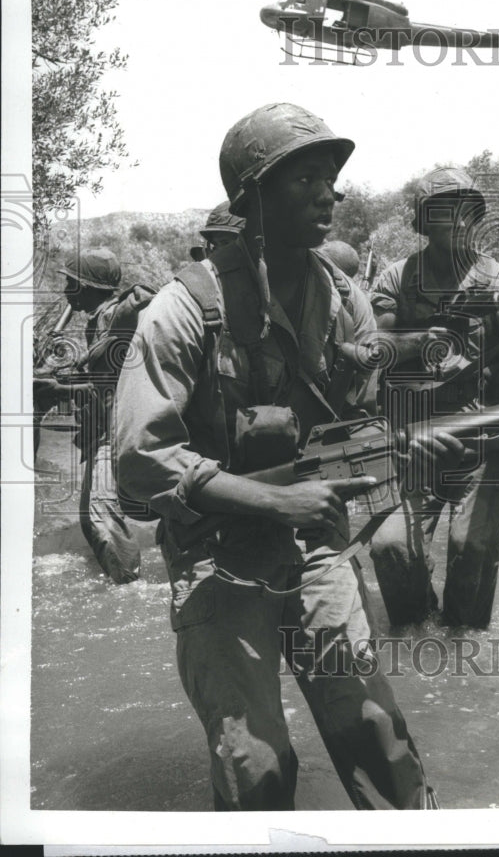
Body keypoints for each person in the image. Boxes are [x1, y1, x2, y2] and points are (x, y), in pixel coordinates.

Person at [115, 103, 462, 811]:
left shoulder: (344, 301)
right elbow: (139, 460)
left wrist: (404, 444)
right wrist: (274, 500)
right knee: (258, 765)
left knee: (374, 733)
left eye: (330, 177)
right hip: (216, 553)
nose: (327, 192)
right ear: (251, 199)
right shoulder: (183, 313)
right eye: (304, 177)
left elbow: (354, 428)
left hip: (315, 545)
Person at [370, 167, 499, 630]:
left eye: (467, 212)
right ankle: (414, 633)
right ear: (425, 222)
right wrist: (428, 339)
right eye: (446, 213)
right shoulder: (396, 279)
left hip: (482, 436)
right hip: (412, 439)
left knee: (471, 549)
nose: (460, 222)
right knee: (390, 548)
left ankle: (464, 648)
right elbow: (375, 354)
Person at [35, 247, 141, 583]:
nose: (66, 290)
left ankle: (129, 591)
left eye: (71, 283)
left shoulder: (111, 321)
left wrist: (58, 390)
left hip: (114, 429)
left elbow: (110, 391)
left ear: (87, 288)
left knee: (102, 515)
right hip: (102, 429)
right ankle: (119, 579)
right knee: (89, 515)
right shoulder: (100, 322)